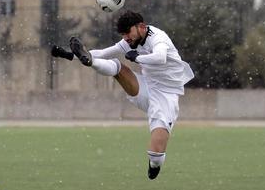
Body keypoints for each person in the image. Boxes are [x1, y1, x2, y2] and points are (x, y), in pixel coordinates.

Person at [51, 10, 194, 180]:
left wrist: (137, 58)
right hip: (146, 88)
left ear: (141, 27)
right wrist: (70, 55)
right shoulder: (131, 40)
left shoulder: (158, 38)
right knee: (117, 67)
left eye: (128, 33)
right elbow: (104, 52)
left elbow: (160, 57)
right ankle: (91, 64)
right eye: (123, 34)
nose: (126, 37)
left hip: (166, 96)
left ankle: (155, 164)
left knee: (155, 156)